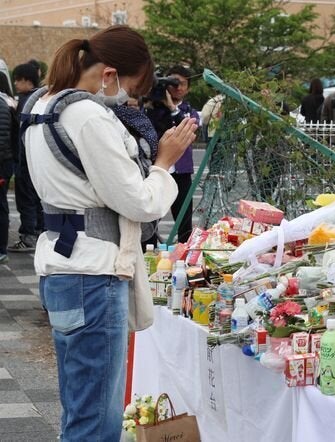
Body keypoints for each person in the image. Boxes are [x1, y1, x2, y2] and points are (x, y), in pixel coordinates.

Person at [22, 26, 197, 440]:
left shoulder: (43, 103)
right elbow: (137, 200)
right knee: (98, 421)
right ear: (110, 73)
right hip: (93, 273)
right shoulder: (86, 115)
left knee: (80, 409)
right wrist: (164, 162)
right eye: (131, 88)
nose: (129, 99)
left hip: (62, 264)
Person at [146, 65, 200, 244]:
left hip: (182, 173)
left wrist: (172, 108)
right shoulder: (152, 109)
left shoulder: (188, 111)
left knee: (184, 220)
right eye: (173, 83)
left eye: (182, 84)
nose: (177, 87)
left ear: (188, 88)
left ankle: (185, 257)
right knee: (151, 217)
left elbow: (190, 130)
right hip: (159, 170)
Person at [9, 62, 42, 252]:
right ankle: (38, 231)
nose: (15, 83)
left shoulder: (25, 101)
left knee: (26, 198)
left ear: (27, 81)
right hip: (36, 158)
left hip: (24, 158)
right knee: (37, 197)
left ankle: (28, 235)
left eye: (17, 80)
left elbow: (20, 132)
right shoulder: (40, 99)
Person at [0, 81, 15, 264]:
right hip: (6, 160)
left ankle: (1, 249)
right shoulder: (7, 102)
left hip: (2, 162)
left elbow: (2, 138)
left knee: (1, 205)